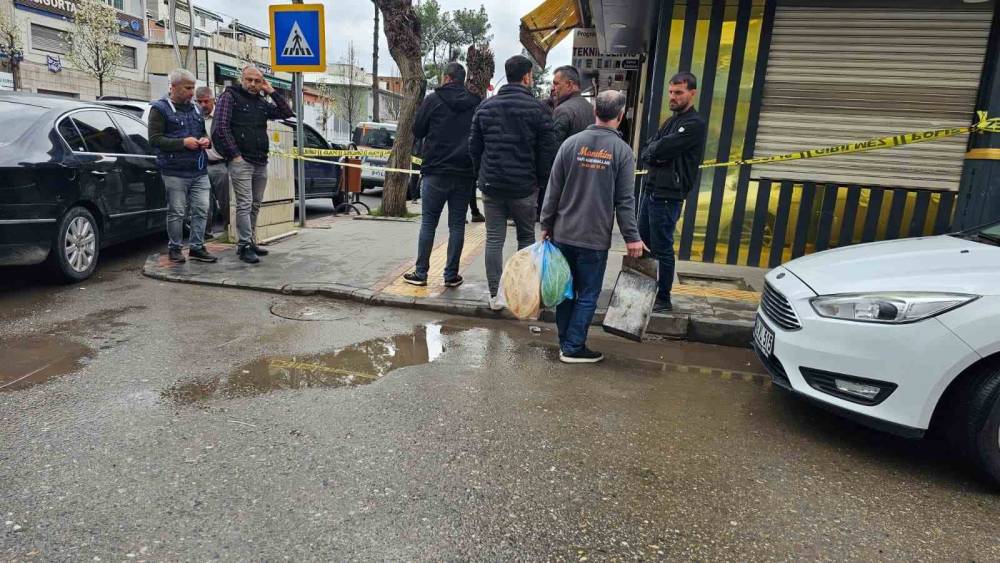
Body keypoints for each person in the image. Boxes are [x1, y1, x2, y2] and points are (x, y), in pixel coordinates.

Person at [540, 90, 645, 363]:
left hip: (563, 233)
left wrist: (546, 224)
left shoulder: (571, 144)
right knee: (588, 293)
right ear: (620, 116)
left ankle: (566, 342)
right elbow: (625, 201)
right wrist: (632, 237)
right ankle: (573, 347)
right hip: (594, 239)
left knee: (566, 291)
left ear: (595, 111)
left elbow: (553, 190)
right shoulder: (622, 152)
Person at [469, 54, 557, 310]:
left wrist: (481, 174)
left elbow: (474, 147)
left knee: (494, 239)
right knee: (526, 238)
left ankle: (495, 296)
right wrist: (541, 183)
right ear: (527, 77)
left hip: (492, 185)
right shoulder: (539, 110)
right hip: (524, 187)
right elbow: (547, 152)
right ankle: (522, 294)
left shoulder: (485, 107)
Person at [402, 62, 482, 288]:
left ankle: (421, 274)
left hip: (435, 171)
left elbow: (418, 130)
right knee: (457, 225)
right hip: (464, 173)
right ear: (462, 79)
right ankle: (451, 276)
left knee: (428, 223)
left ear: (447, 78)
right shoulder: (475, 103)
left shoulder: (433, 100)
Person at [212, 65, 296, 264]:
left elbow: (286, 112)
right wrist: (235, 155)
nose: (252, 84)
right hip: (241, 161)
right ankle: (244, 245)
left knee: (255, 204)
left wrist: (271, 91)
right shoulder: (229, 97)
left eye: (257, 81)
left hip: (260, 160)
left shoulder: (260, 102)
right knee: (244, 203)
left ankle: (250, 240)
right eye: (249, 80)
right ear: (242, 79)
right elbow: (221, 127)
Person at [639, 72, 707, 313]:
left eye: (678, 92)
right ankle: (644, 289)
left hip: (668, 195)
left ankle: (663, 298)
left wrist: (656, 152)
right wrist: (655, 152)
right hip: (651, 189)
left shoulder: (694, 124)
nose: (673, 97)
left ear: (692, 93)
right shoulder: (670, 122)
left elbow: (661, 149)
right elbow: (648, 149)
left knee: (662, 248)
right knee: (643, 244)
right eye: (671, 92)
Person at [148, 69, 217, 264]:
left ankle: (197, 247)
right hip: (174, 171)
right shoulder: (159, 109)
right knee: (177, 212)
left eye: (193, 87)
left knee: (202, 209)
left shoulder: (196, 108)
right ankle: (175, 248)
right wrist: (183, 143)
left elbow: (202, 132)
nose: (192, 92)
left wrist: (206, 141)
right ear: (174, 87)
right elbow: (154, 140)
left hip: (198, 169)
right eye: (188, 88)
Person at [542, 65, 593, 214]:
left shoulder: (563, 110)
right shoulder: (590, 108)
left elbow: (554, 149)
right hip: (587, 177)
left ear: (570, 84)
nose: (553, 88)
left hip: (566, 181)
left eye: (556, 83)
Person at [195, 86, 229, 235]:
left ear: (213, 100)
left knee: (225, 201)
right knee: (203, 203)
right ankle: (205, 234)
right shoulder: (196, 118)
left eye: (206, 101)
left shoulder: (221, 117)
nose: (203, 105)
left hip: (220, 165)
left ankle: (229, 230)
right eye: (199, 102)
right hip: (202, 166)